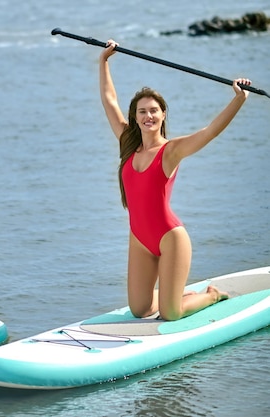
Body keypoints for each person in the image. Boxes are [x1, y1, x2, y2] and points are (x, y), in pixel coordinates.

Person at [98, 40, 251, 321]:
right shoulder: (128, 146)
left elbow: (209, 132)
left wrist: (238, 99)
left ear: (163, 114)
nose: (148, 116)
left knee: (170, 314)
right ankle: (177, 294)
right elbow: (109, 100)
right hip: (139, 238)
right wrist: (104, 61)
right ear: (134, 117)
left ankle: (210, 295)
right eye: (142, 111)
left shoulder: (171, 151)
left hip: (170, 238)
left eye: (154, 110)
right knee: (140, 310)